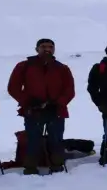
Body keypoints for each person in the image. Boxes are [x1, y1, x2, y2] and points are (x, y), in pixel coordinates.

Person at [7, 38, 76, 174]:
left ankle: (57, 166)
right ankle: (30, 168)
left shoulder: (62, 68)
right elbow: (13, 87)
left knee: (56, 139)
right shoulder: (24, 66)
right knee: (33, 140)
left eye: (50, 47)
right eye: (43, 47)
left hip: (56, 110)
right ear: (37, 49)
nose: (47, 49)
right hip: (33, 110)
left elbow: (69, 90)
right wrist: (28, 101)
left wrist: (58, 103)